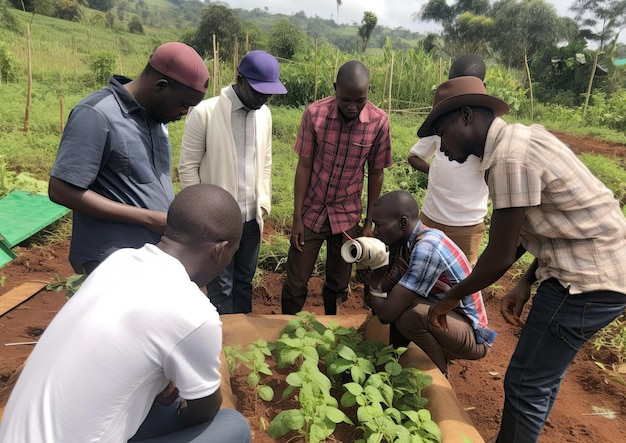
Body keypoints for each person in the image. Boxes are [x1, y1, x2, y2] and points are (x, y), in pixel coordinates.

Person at [419, 76, 626, 443]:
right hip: (596, 272)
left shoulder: (509, 158)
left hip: (584, 282)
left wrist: (454, 295)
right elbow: (544, 229)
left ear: (466, 116)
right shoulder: (519, 139)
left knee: (525, 383)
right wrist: (528, 280)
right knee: (540, 379)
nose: (441, 145)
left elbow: (498, 254)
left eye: (441, 131)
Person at [0, 184, 251, 443]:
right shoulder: (194, 313)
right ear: (219, 250)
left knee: (159, 400)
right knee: (233, 427)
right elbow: (204, 409)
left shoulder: (119, 261)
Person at [49, 42, 209, 275]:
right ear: (161, 86)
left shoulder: (156, 118)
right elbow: (60, 189)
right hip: (112, 264)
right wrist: (149, 218)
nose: (184, 113)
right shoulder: (96, 114)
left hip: (150, 257)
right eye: (184, 105)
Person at [280, 60, 393, 315]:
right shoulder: (315, 115)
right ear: (335, 88)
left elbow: (375, 174)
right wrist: (297, 217)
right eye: (345, 100)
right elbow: (305, 166)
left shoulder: (378, 123)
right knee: (296, 280)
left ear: (368, 93)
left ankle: (333, 327)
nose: (352, 107)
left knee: (338, 283)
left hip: (347, 215)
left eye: (360, 101)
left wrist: (368, 222)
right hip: (312, 212)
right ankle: (286, 329)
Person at [178, 50, 287, 314]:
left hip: (251, 219)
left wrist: (262, 204)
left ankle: (243, 339)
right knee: (221, 287)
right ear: (239, 78)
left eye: (269, 92)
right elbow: (188, 167)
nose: (264, 97)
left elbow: (266, 163)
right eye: (258, 89)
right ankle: (224, 341)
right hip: (215, 222)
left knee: (243, 283)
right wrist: (200, 214)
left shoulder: (265, 114)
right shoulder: (206, 112)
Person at [363, 190, 495, 376]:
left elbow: (386, 313)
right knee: (402, 305)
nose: (375, 232)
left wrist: (376, 278)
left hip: (472, 336)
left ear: (402, 223)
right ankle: (392, 362)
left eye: (379, 225)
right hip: (445, 320)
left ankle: (440, 373)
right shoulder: (405, 245)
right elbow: (378, 299)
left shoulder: (426, 248)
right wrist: (370, 269)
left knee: (409, 314)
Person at [408, 54, 489, 266]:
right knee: (422, 267)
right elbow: (414, 156)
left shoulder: (491, 135)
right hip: (431, 216)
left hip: (468, 224)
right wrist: (434, 170)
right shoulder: (443, 122)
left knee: (460, 275)